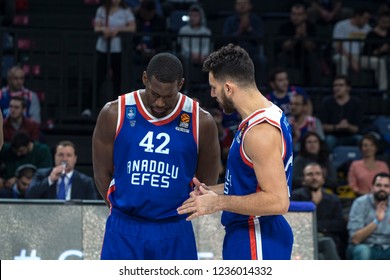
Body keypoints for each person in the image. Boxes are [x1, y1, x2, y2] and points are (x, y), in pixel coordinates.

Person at [92, 52, 220, 260]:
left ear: (180, 85)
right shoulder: (114, 112)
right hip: (124, 225)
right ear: (144, 79)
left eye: (168, 96)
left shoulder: (201, 121)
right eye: (155, 94)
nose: (160, 103)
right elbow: (101, 173)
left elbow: (206, 181)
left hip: (174, 228)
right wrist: (122, 209)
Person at [177, 44, 294, 260]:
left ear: (229, 88)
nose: (212, 94)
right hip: (252, 233)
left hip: (256, 235)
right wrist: (211, 191)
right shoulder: (266, 112)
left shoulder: (260, 132)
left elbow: (278, 201)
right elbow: (250, 183)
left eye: (214, 87)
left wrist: (217, 203)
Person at [86, 0, 136, 116]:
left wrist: (118, 30)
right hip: (102, 48)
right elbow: (96, 27)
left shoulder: (125, 11)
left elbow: (132, 27)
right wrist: (104, 30)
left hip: (117, 50)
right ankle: (88, 108)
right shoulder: (102, 10)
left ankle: (117, 109)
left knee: (117, 79)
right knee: (97, 78)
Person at [291, 162, 347, 259]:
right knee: (324, 249)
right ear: (303, 179)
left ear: (323, 178)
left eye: (317, 174)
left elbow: (339, 224)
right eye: (310, 174)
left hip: (326, 237)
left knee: (324, 250)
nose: (314, 177)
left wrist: (318, 226)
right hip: (302, 238)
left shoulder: (333, 199)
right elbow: (294, 222)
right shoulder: (295, 197)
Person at [26, 141, 97, 200]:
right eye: (60, 155)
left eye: (68, 155)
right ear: (54, 157)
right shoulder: (41, 174)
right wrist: (50, 179)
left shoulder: (85, 182)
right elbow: (29, 195)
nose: (64, 159)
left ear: (75, 159)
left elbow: (93, 208)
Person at [276, 2, 321, 86]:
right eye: (294, 14)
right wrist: (296, 37)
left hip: (306, 56)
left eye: (299, 14)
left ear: (305, 15)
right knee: (281, 58)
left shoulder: (311, 27)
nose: (296, 17)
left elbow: (313, 48)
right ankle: (280, 86)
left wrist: (304, 36)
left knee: (313, 59)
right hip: (289, 56)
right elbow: (284, 47)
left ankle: (315, 89)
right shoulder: (284, 27)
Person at [347, 172, 390, 260]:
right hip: (365, 247)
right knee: (363, 251)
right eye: (378, 185)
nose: (382, 188)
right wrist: (376, 221)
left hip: (387, 248)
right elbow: (355, 239)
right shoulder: (360, 203)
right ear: (372, 187)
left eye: (386, 186)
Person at [222, 0, 267, 85]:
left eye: (245, 3)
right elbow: (225, 39)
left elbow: (261, 40)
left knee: (262, 60)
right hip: (233, 53)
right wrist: (239, 31)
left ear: (250, 5)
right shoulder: (230, 21)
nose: (242, 6)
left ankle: (259, 87)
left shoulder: (256, 20)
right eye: (239, 3)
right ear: (235, 6)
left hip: (253, 54)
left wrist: (249, 30)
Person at [319, 75, 364, 151]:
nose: (337, 88)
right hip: (333, 136)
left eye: (341, 85)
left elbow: (357, 128)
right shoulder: (327, 102)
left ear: (348, 88)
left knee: (360, 139)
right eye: (335, 85)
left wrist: (348, 126)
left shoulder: (356, 103)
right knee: (329, 140)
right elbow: (322, 126)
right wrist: (337, 127)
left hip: (351, 136)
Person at [332, 7, 372, 78]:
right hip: (343, 55)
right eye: (365, 18)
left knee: (380, 62)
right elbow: (338, 46)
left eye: (368, 19)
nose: (366, 21)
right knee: (342, 60)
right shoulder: (341, 25)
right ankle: (342, 85)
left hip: (359, 57)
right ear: (357, 16)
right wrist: (352, 60)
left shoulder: (368, 28)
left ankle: (383, 88)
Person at [177, 4, 211, 85]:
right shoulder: (183, 30)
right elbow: (184, 47)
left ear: (201, 17)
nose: (193, 18)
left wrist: (201, 56)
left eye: (195, 15)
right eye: (191, 15)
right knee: (183, 60)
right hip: (187, 56)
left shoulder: (207, 31)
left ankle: (207, 87)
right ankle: (186, 86)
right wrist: (192, 55)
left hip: (203, 56)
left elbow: (207, 47)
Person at [361, 11, 390, 92]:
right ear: (378, 21)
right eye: (384, 22)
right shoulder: (371, 34)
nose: (386, 24)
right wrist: (381, 50)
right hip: (375, 57)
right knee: (383, 61)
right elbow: (367, 53)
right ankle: (383, 91)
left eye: (388, 22)